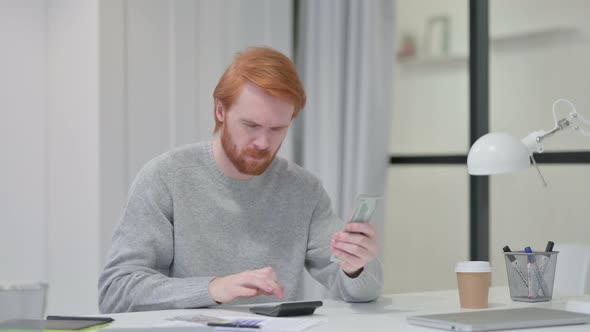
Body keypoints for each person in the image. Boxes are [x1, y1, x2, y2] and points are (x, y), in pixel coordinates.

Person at [98, 46, 383, 313]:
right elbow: (116, 292)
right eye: (251, 125)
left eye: (277, 129)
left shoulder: (303, 190)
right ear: (220, 111)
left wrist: (355, 268)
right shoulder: (165, 179)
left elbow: (361, 292)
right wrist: (213, 288)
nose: (262, 142)